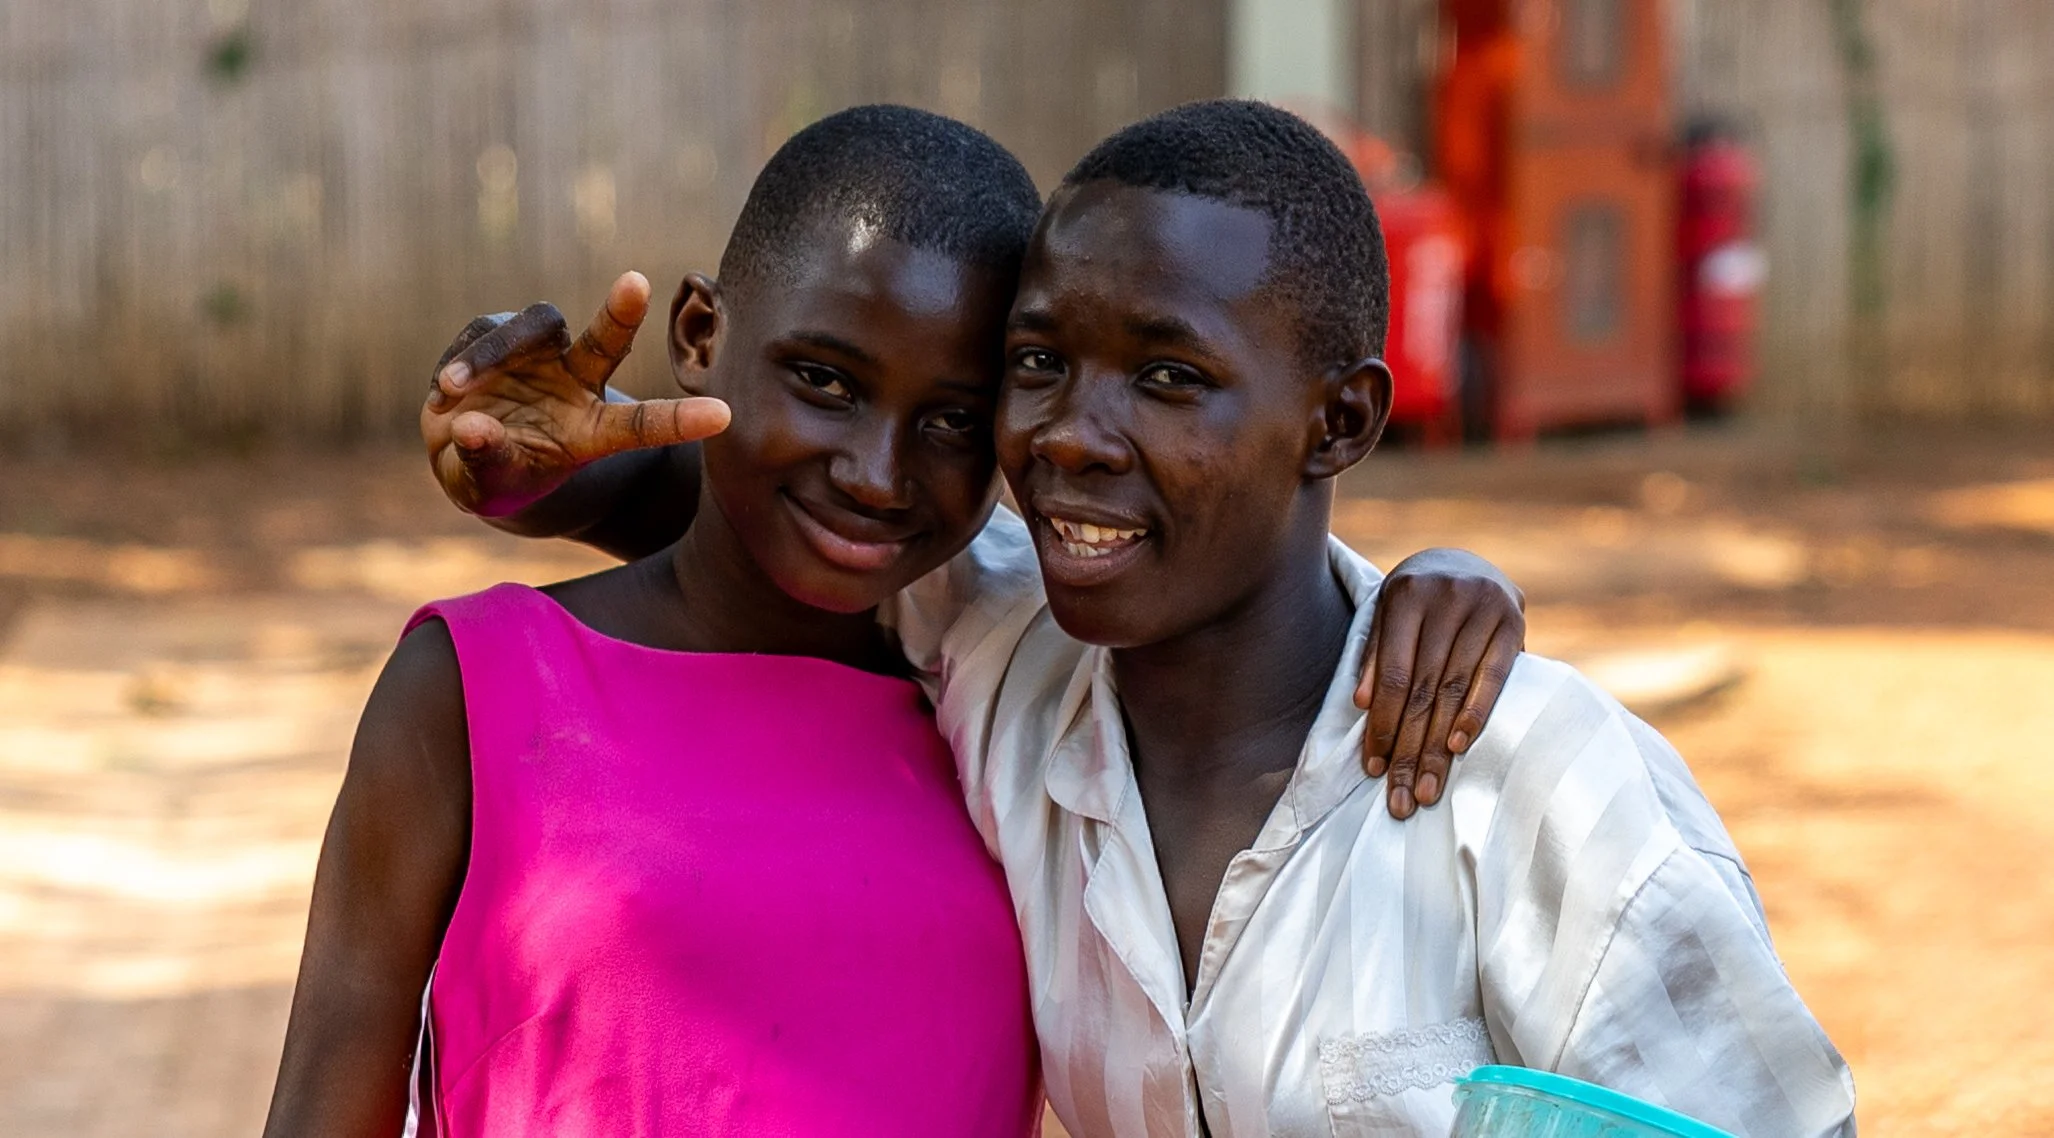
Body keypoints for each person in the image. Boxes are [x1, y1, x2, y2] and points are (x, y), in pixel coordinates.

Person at [432, 100, 1857, 1136]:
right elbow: (807, 508)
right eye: (1041, 361)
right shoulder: (1004, 666)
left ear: (1341, 418)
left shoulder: (1532, 789)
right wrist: (542, 476)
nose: (1071, 435)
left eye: (1168, 378)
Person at [266, 105, 1527, 1138]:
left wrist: (1421, 582)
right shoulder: (477, 688)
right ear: (701, 333)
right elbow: (329, 1091)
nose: (877, 471)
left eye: (951, 419)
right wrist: (547, 475)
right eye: (823, 379)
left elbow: (1230, 592)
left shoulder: (1013, 706)